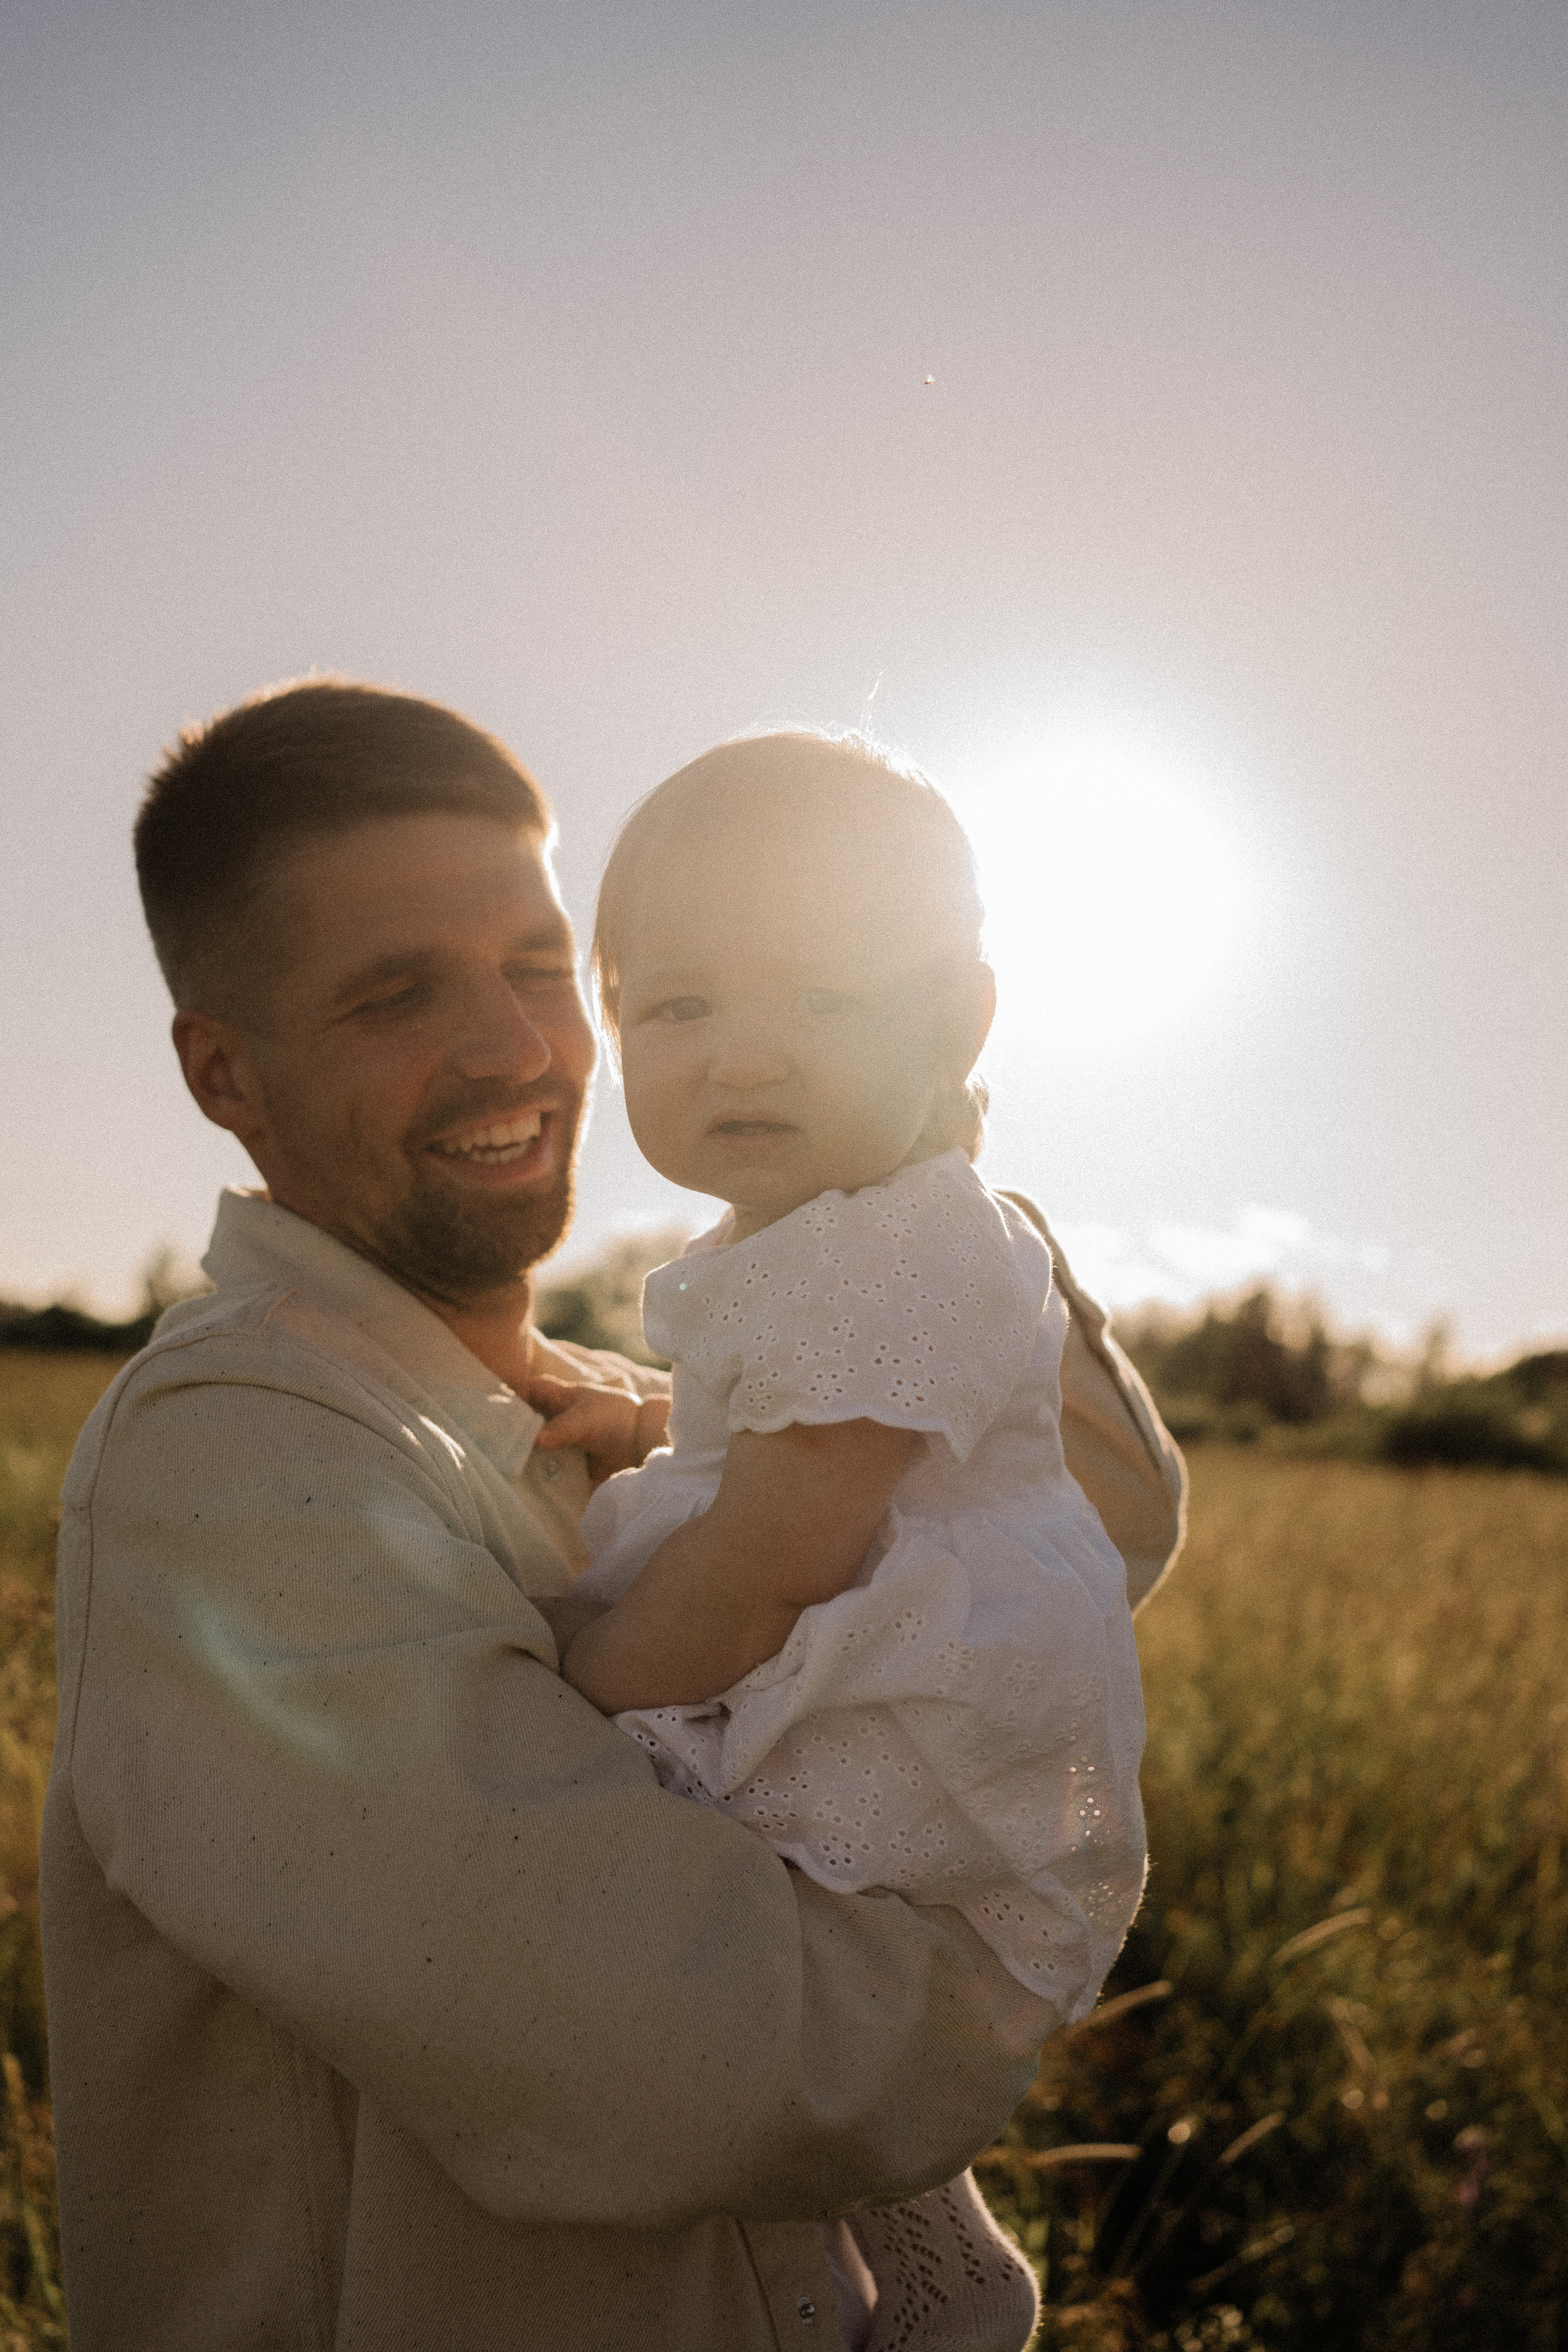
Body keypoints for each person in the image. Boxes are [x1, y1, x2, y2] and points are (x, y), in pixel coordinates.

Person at [40, 679, 1186, 2352]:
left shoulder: (653, 1386)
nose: (514, 1045)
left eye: (533, 967)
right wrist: (1000, 1974)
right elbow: (716, 2062)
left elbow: (1111, 1520)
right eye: (394, 994)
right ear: (228, 1073)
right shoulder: (231, 1461)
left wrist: (923, 1181)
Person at [521, 733, 1152, 2351]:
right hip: (874, 1680)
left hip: (894, 1728)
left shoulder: (893, 1243)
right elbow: (792, 1438)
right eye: (679, 1007)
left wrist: (580, 1675)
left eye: (824, 1000)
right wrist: (666, 1429)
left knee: (724, 1968)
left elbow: (785, 1545)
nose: (744, 1059)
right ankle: (923, 2271)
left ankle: (844, 2288)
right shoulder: (841, 1231)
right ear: (612, 1029)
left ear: (955, 1019)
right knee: (795, 2015)